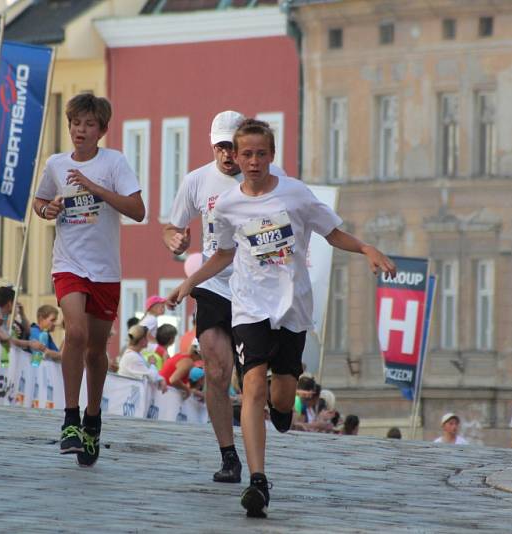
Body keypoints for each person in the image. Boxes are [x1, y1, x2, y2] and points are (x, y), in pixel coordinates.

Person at [167, 118, 395, 518]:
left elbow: (332, 232)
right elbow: (221, 254)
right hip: (250, 305)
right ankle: (258, 481)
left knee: (280, 396)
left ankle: (283, 408)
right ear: (235, 157)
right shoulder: (228, 206)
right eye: (246, 154)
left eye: (260, 154)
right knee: (251, 385)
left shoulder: (295, 195)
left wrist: (366, 249)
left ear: (271, 156)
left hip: (292, 306)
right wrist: (189, 284)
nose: (253, 161)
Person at [162, 110, 286, 485]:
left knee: (256, 379)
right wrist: (174, 240)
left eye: (233, 146)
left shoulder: (268, 182)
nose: (228, 155)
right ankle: (228, 455)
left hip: (256, 288)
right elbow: (172, 227)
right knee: (217, 370)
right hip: (213, 285)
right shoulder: (197, 181)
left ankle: (276, 407)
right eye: (220, 147)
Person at [33, 92, 145, 467]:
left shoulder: (114, 162)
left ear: (101, 130)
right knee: (75, 333)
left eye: (89, 124)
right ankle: (69, 418)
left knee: (97, 351)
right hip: (68, 263)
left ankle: (92, 419)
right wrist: (47, 209)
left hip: (105, 270)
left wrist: (94, 188)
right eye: (75, 123)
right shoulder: (55, 163)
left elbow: (138, 209)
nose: (80, 130)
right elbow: (41, 202)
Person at [117, 325, 167, 392]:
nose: (148, 340)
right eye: (146, 338)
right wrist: (152, 364)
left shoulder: (136, 354)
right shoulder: (132, 357)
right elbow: (152, 377)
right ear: (142, 340)